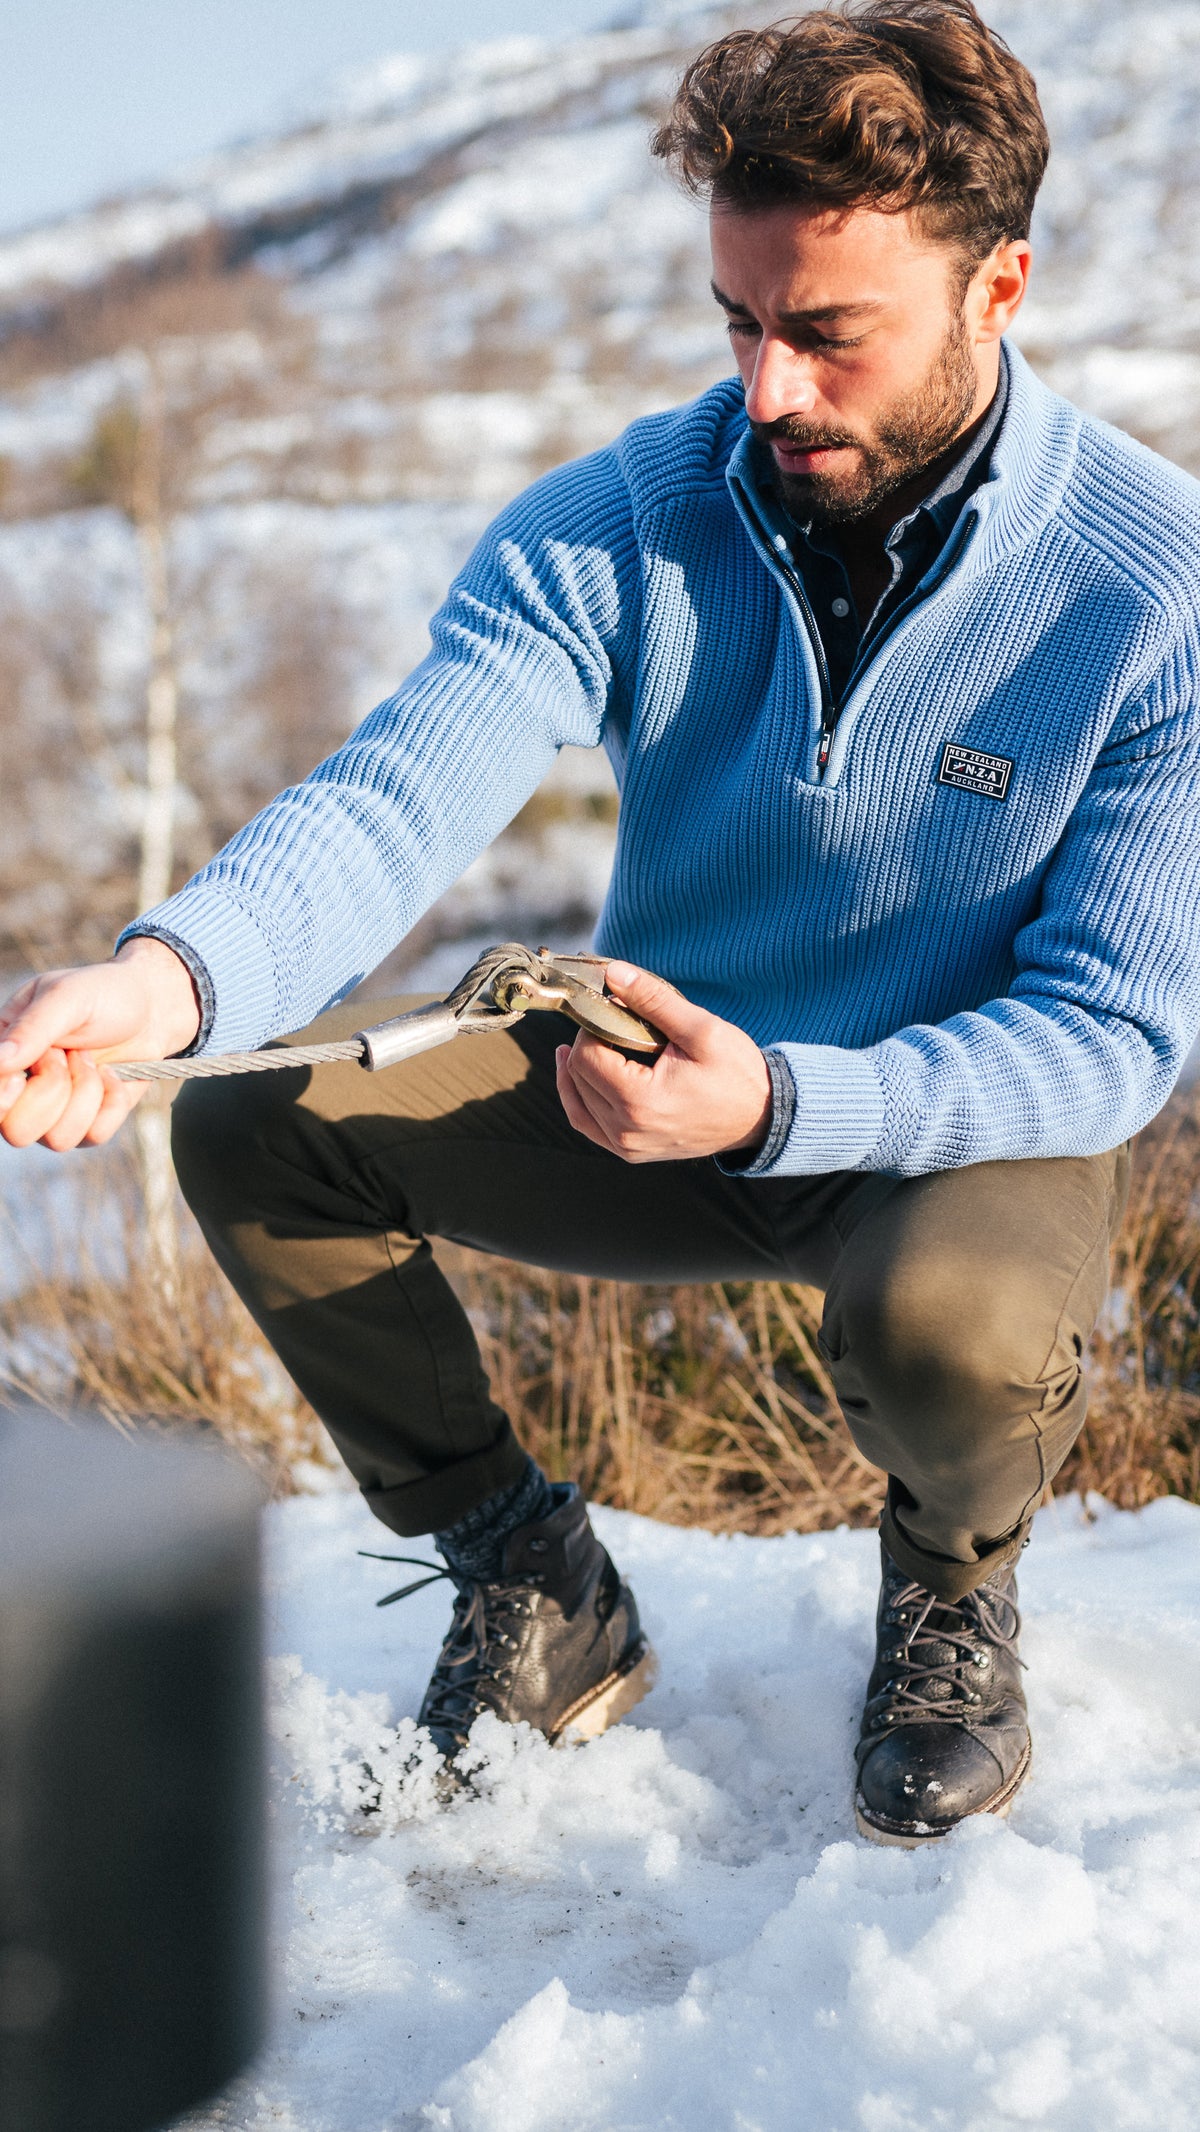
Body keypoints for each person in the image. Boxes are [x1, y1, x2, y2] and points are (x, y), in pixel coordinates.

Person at [3, 0, 1198, 1845]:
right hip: (643, 1091)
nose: (771, 388)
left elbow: (1112, 1035)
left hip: (956, 1134)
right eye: (737, 322)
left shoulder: (1153, 586)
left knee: (955, 1322)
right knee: (256, 1128)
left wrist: (794, 1104)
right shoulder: (626, 517)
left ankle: (952, 1594)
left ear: (1001, 287)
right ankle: (533, 1574)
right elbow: (398, 796)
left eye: (827, 334)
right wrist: (168, 984)